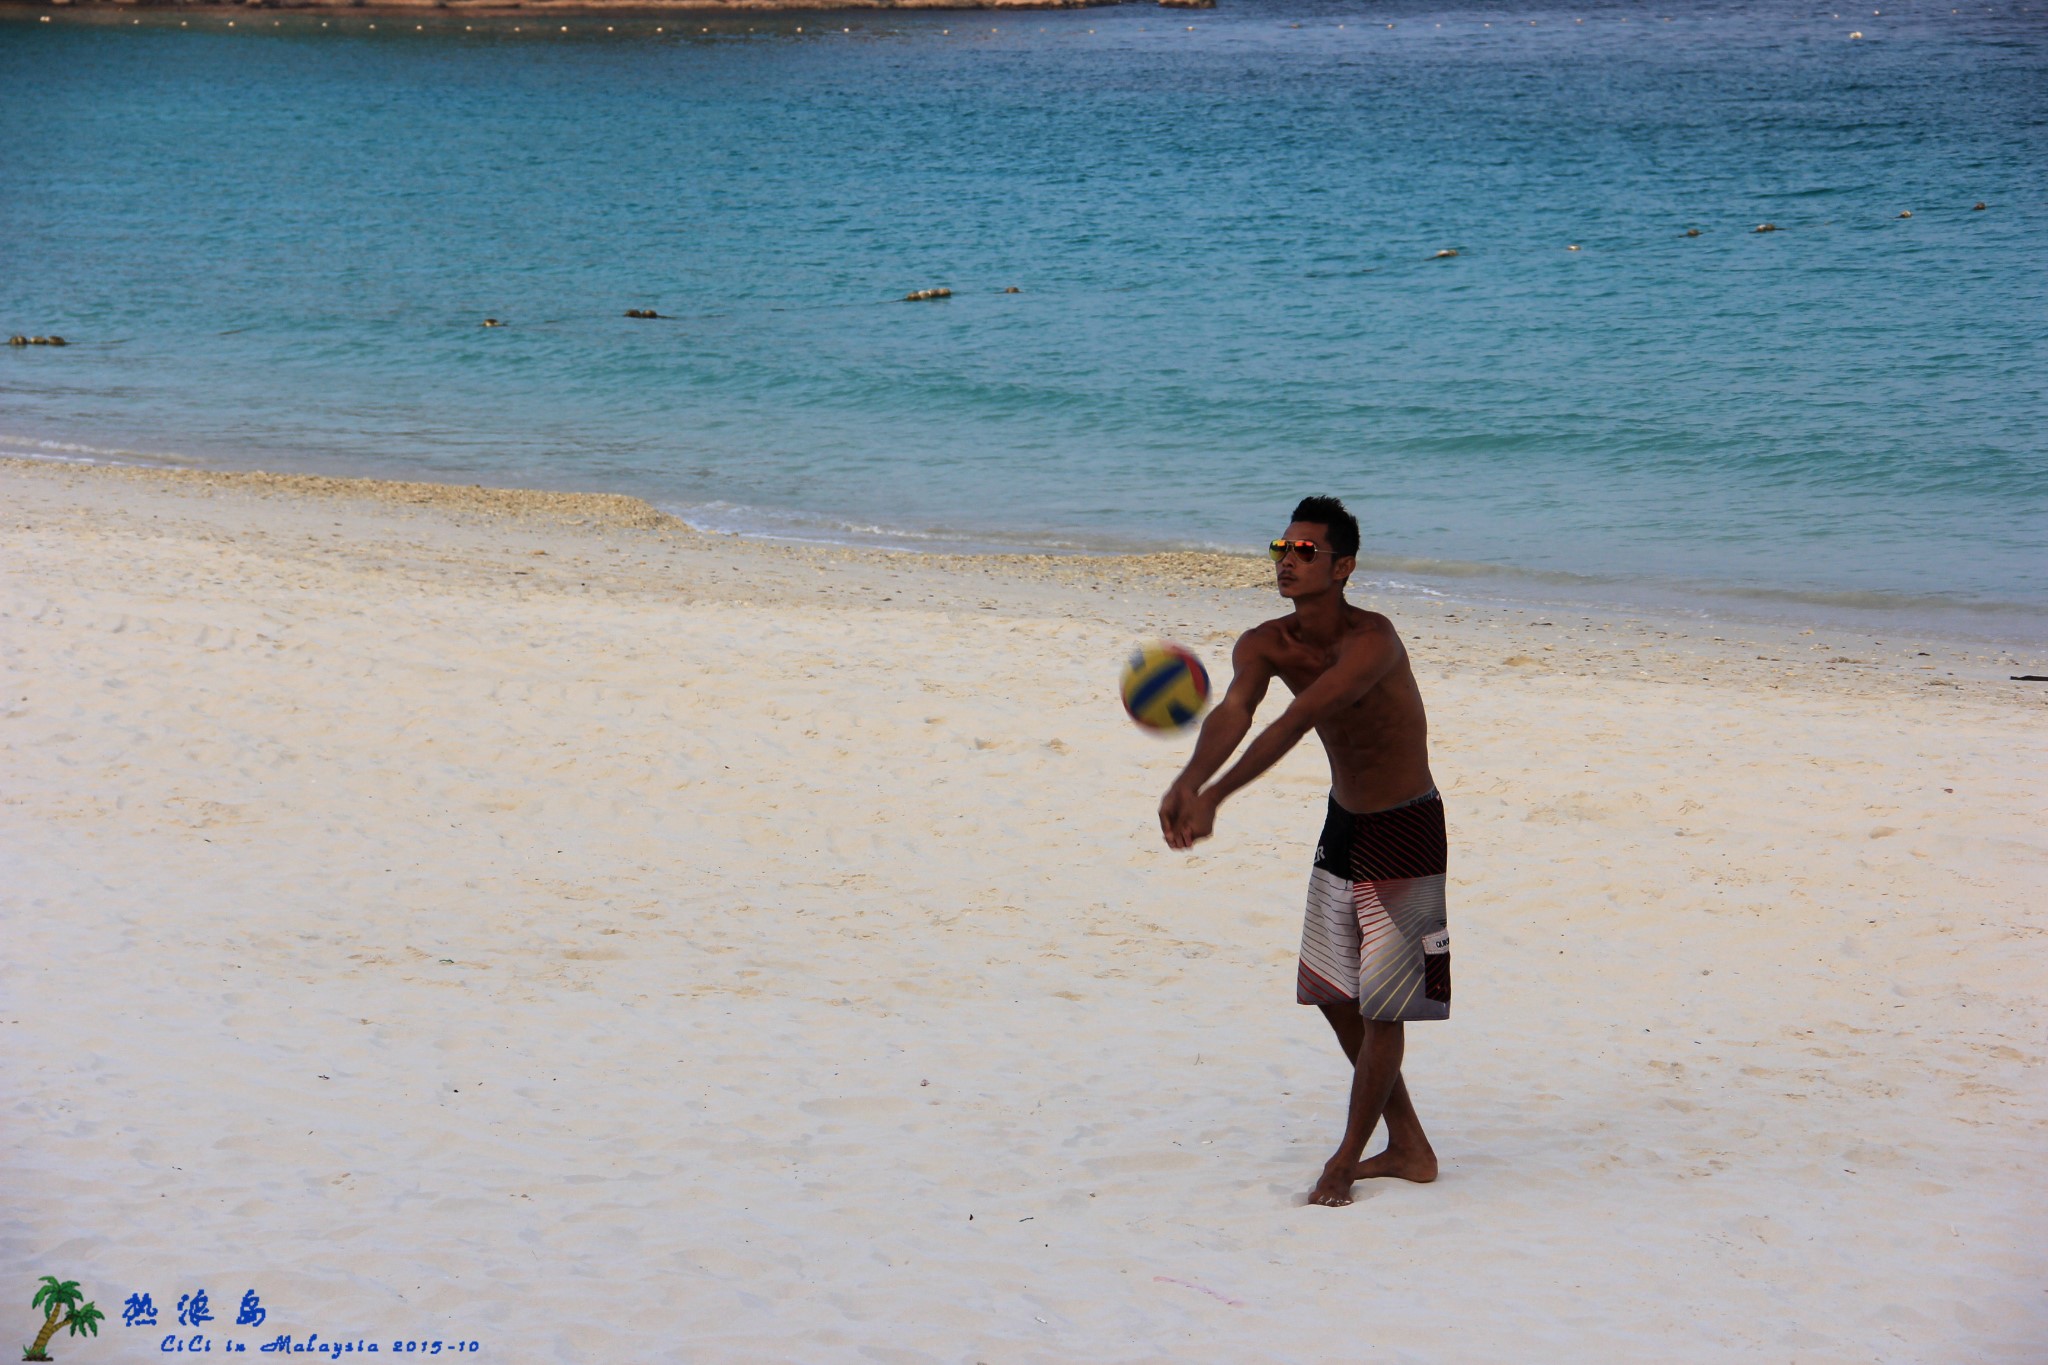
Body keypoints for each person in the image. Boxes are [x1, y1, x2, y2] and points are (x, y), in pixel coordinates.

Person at [1159, 496, 1449, 1207]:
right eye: (1281, 548)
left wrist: (1218, 797)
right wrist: (1189, 777)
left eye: (1305, 551)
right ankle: (1408, 1143)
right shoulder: (1264, 642)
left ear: (1343, 567)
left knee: (1385, 1007)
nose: (1287, 561)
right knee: (1330, 990)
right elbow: (1236, 710)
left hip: (1407, 826)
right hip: (1344, 822)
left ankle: (1346, 1159)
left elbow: (1301, 715)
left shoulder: (1374, 641)